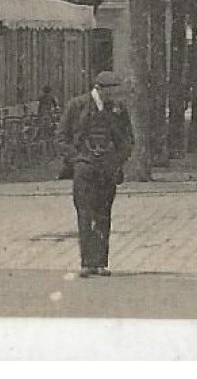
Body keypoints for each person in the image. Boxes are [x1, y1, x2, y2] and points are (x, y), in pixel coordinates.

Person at [55, 71, 134, 277]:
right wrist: (77, 160)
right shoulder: (76, 106)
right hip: (84, 168)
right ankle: (87, 262)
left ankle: (101, 262)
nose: (114, 97)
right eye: (111, 92)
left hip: (107, 168)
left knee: (103, 215)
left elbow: (127, 139)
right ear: (99, 89)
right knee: (84, 213)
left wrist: (117, 161)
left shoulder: (118, 110)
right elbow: (61, 137)